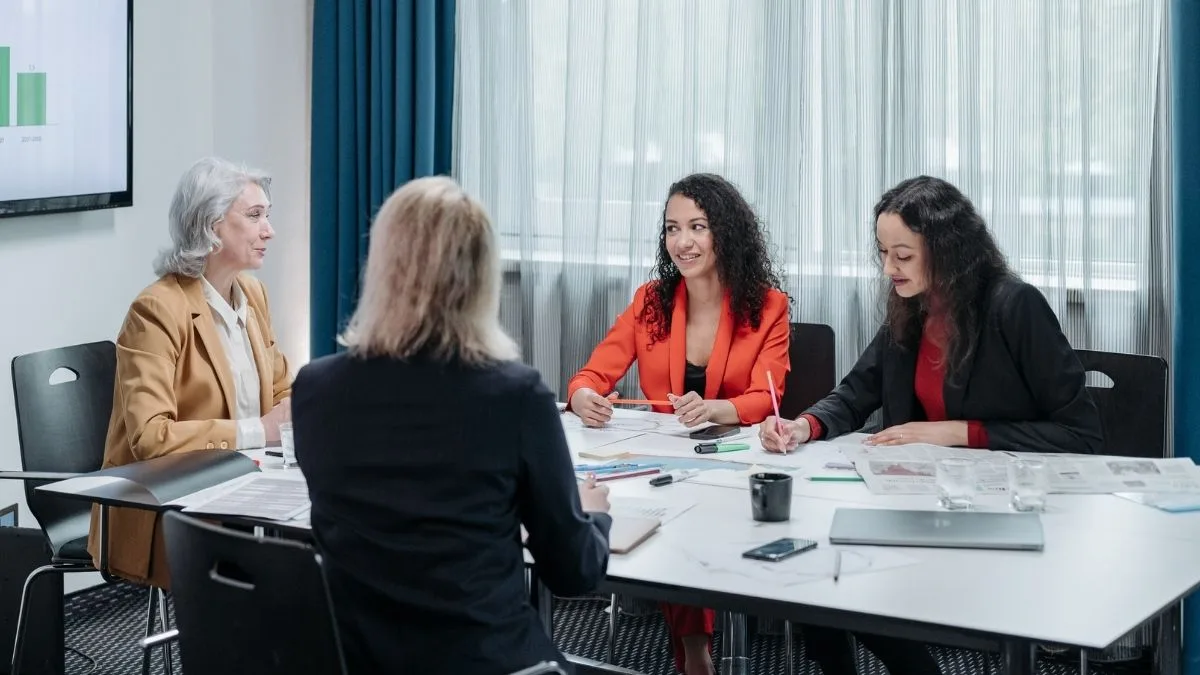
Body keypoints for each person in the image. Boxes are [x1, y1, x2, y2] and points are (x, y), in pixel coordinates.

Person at [761, 175, 1103, 675]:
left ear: (946, 249)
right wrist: (804, 426)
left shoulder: (1013, 305)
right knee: (816, 579)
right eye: (882, 253)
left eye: (903, 255)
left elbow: (1082, 436)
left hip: (998, 510)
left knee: (842, 580)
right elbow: (857, 391)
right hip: (919, 500)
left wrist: (959, 432)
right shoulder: (912, 305)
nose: (889, 269)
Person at [293, 176, 613, 675]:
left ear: (381, 267)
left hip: (358, 661)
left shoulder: (315, 388)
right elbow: (573, 572)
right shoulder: (515, 395)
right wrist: (592, 516)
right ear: (481, 277)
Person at [568, 173, 791, 675]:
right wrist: (583, 397)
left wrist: (713, 409)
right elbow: (591, 374)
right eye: (672, 229)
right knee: (669, 510)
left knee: (699, 513)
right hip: (662, 460)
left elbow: (766, 398)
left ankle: (694, 651)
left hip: (733, 460)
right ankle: (695, 652)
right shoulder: (652, 300)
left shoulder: (767, 306)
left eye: (697, 227)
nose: (682, 242)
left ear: (725, 233)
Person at [87, 157, 293, 588]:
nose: (268, 230)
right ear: (211, 226)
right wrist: (259, 430)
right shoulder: (158, 310)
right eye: (255, 216)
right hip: (167, 505)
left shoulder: (252, 294)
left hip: (242, 489)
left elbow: (281, 392)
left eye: (267, 216)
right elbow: (151, 439)